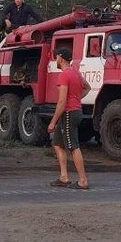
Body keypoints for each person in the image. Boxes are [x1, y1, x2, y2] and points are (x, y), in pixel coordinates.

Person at [47, 46, 89, 190]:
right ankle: (64, 177)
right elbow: (87, 87)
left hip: (68, 113)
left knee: (73, 146)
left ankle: (83, 180)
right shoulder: (76, 73)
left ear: (60, 57)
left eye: (55, 58)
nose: (55, 60)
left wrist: (52, 122)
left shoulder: (64, 75)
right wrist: (77, 98)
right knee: (57, 143)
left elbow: (62, 101)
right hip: (76, 111)